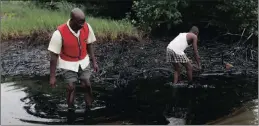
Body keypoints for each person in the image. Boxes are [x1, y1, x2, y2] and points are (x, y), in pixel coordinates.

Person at [48, 8, 99, 112]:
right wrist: (52, 77)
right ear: (72, 20)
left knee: (87, 85)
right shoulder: (59, 33)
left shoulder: (86, 27)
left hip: (83, 61)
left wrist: (94, 62)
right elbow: (53, 57)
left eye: (83, 21)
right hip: (68, 63)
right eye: (80, 22)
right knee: (71, 87)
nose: (82, 25)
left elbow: (89, 45)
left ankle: (89, 108)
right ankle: (70, 109)